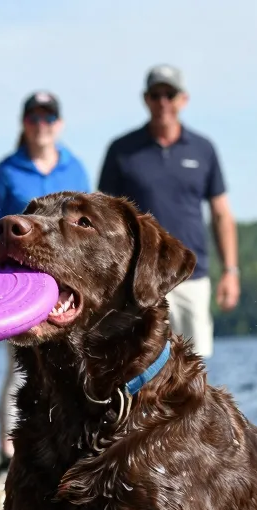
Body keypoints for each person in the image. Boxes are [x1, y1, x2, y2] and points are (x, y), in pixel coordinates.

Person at [0, 91, 90, 480]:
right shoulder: (7, 170)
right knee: (21, 368)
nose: (41, 125)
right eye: (34, 118)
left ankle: (71, 449)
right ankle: (8, 451)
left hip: (65, 281)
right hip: (20, 280)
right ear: (24, 124)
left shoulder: (76, 168)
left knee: (69, 364)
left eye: (48, 119)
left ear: (58, 125)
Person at [98, 64, 240, 359]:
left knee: (193, 366)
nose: (163, 101)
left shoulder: (203, 149)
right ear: (145, 99)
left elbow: (221, 214)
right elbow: (103, 216)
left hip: (192, 276)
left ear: (182, 99)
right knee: (139, 361)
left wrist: (230, 271)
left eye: (169, 94)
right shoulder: (122, 150)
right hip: (138, 278)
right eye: (155, 94)